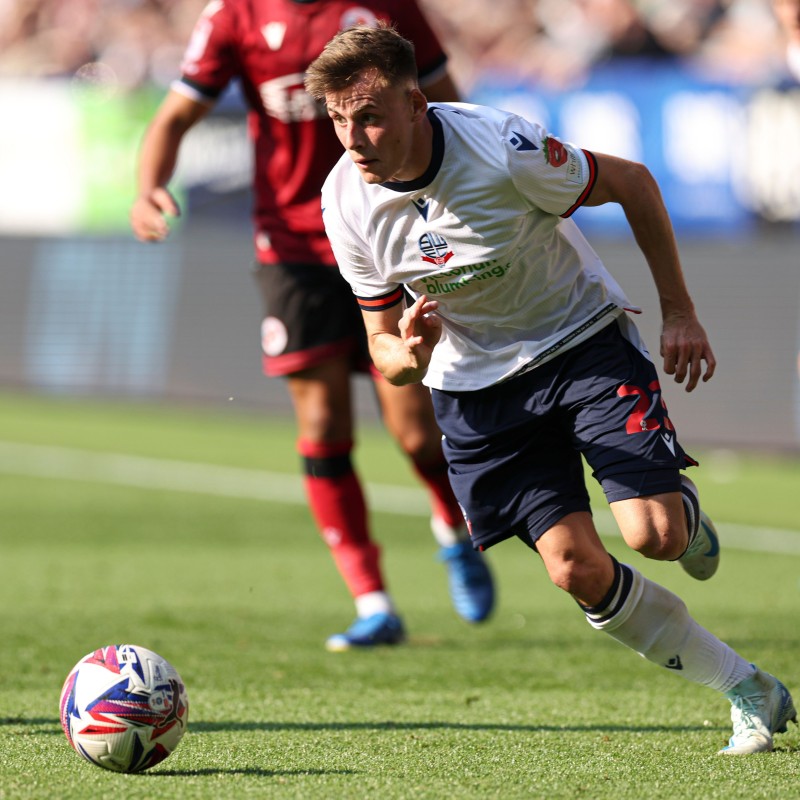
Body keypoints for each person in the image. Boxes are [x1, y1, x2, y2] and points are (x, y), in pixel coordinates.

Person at [305, 22, 796, 753]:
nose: (354, 138)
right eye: (339, 119)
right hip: (477, 392)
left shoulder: (501, 146)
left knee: (655, 536)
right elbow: (383, 345)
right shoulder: (344, 200)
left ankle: (684, 514)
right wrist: (408, 354)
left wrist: (680, 312)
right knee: (574, 568)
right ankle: (746, 688)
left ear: (415, 103)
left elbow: (631, 181)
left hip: (579, 343)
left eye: (369, 115)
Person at [129, 1, 495, 652]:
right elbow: (175, 115)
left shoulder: (387, 6)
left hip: (385, 232)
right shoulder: (234, 16)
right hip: (291, 247)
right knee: (322, 423)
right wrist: (148, 186)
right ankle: (372, 601)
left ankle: (452, 526)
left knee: (414, 430)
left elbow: (446, 105)